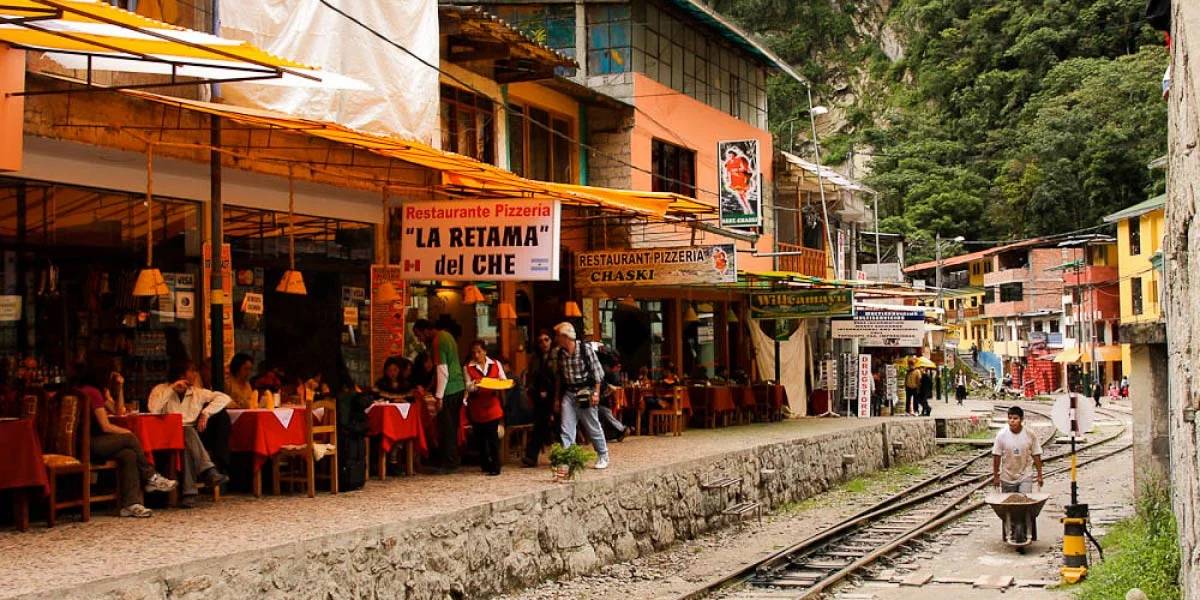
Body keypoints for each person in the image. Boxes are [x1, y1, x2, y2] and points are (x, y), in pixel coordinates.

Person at [74, 363, 176, 517]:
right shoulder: (92, 393)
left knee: (128, 454)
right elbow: (106, 427)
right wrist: (128, 433)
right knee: (130, 438)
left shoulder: (91, 392)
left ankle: (131, 503)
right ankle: (151, 476)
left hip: (86, 443)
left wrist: (120, 387)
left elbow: (117, 410)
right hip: (91, 443)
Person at [147, 361, 231, 506]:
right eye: (190, 371)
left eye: (195, 371)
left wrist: (206, 412)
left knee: (187, 437)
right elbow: (154, 410)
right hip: (166, 435)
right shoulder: (160, 390)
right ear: (180, 374)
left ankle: (189, 494)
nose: (194, 375)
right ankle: (208, 471)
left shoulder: (196, 392)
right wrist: (172, 390)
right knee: (187, 432)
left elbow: (224, 398)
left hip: (187, 436)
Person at [413, 318, 466, 474]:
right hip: (458, 387)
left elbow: (443, 370)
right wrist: (430, 388)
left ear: (427, 331)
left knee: (446, 428)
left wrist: (439, 396)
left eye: (419, 335)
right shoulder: (447, 336)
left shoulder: (438, 342)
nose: (419, 339)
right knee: (452, 426)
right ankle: (453, 459)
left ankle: (449, 463)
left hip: (449, 389)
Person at [554, 322, 609, 469]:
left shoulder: (585, 350)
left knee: (592, 425)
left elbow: (598, 373)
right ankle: (568, 457)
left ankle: (603, 454)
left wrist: (596, 393)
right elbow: (559, 377)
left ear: (565, 337)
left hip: (585, 392)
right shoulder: (560, 354)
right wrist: (557, 399)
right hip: (569, 393)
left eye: (558, 336)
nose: (556, 339)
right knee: (566, 427)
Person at [463, 340, 505, 476]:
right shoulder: (468, 367)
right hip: (477, 405)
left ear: (485, 351)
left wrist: (495, 383)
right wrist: (476, 385)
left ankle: (496, 465)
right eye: (474, 352)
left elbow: (503, 379)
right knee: (480, 437)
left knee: (492, 436)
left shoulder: (495, 364)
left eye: (479, 351)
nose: (476, 355)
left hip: (492, 404)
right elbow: (468, 386)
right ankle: (485, 463)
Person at [523, 330, 558, 467]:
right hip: (539, 397)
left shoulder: (556, 356)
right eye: (540, 341)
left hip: (554, 395)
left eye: (546, 339)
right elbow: (532, 377)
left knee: (558, 427)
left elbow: (557, 377)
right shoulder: (535, 358)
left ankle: (560, 456)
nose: (543, 343)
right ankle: (531, 457)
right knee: (539, 427)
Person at [991, 405, 1044, 493]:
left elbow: (1036, 454)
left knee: (1024, 500)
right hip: (1007, 476)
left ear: (1021, 420)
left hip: (1025, 474)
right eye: (1010, 418)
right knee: (1009, 503)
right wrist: (996, 476)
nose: (1012, 421)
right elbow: (996, 455)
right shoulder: (1001, 435)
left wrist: (1040, 475)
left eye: (1015, 418)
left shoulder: (1029, 434)